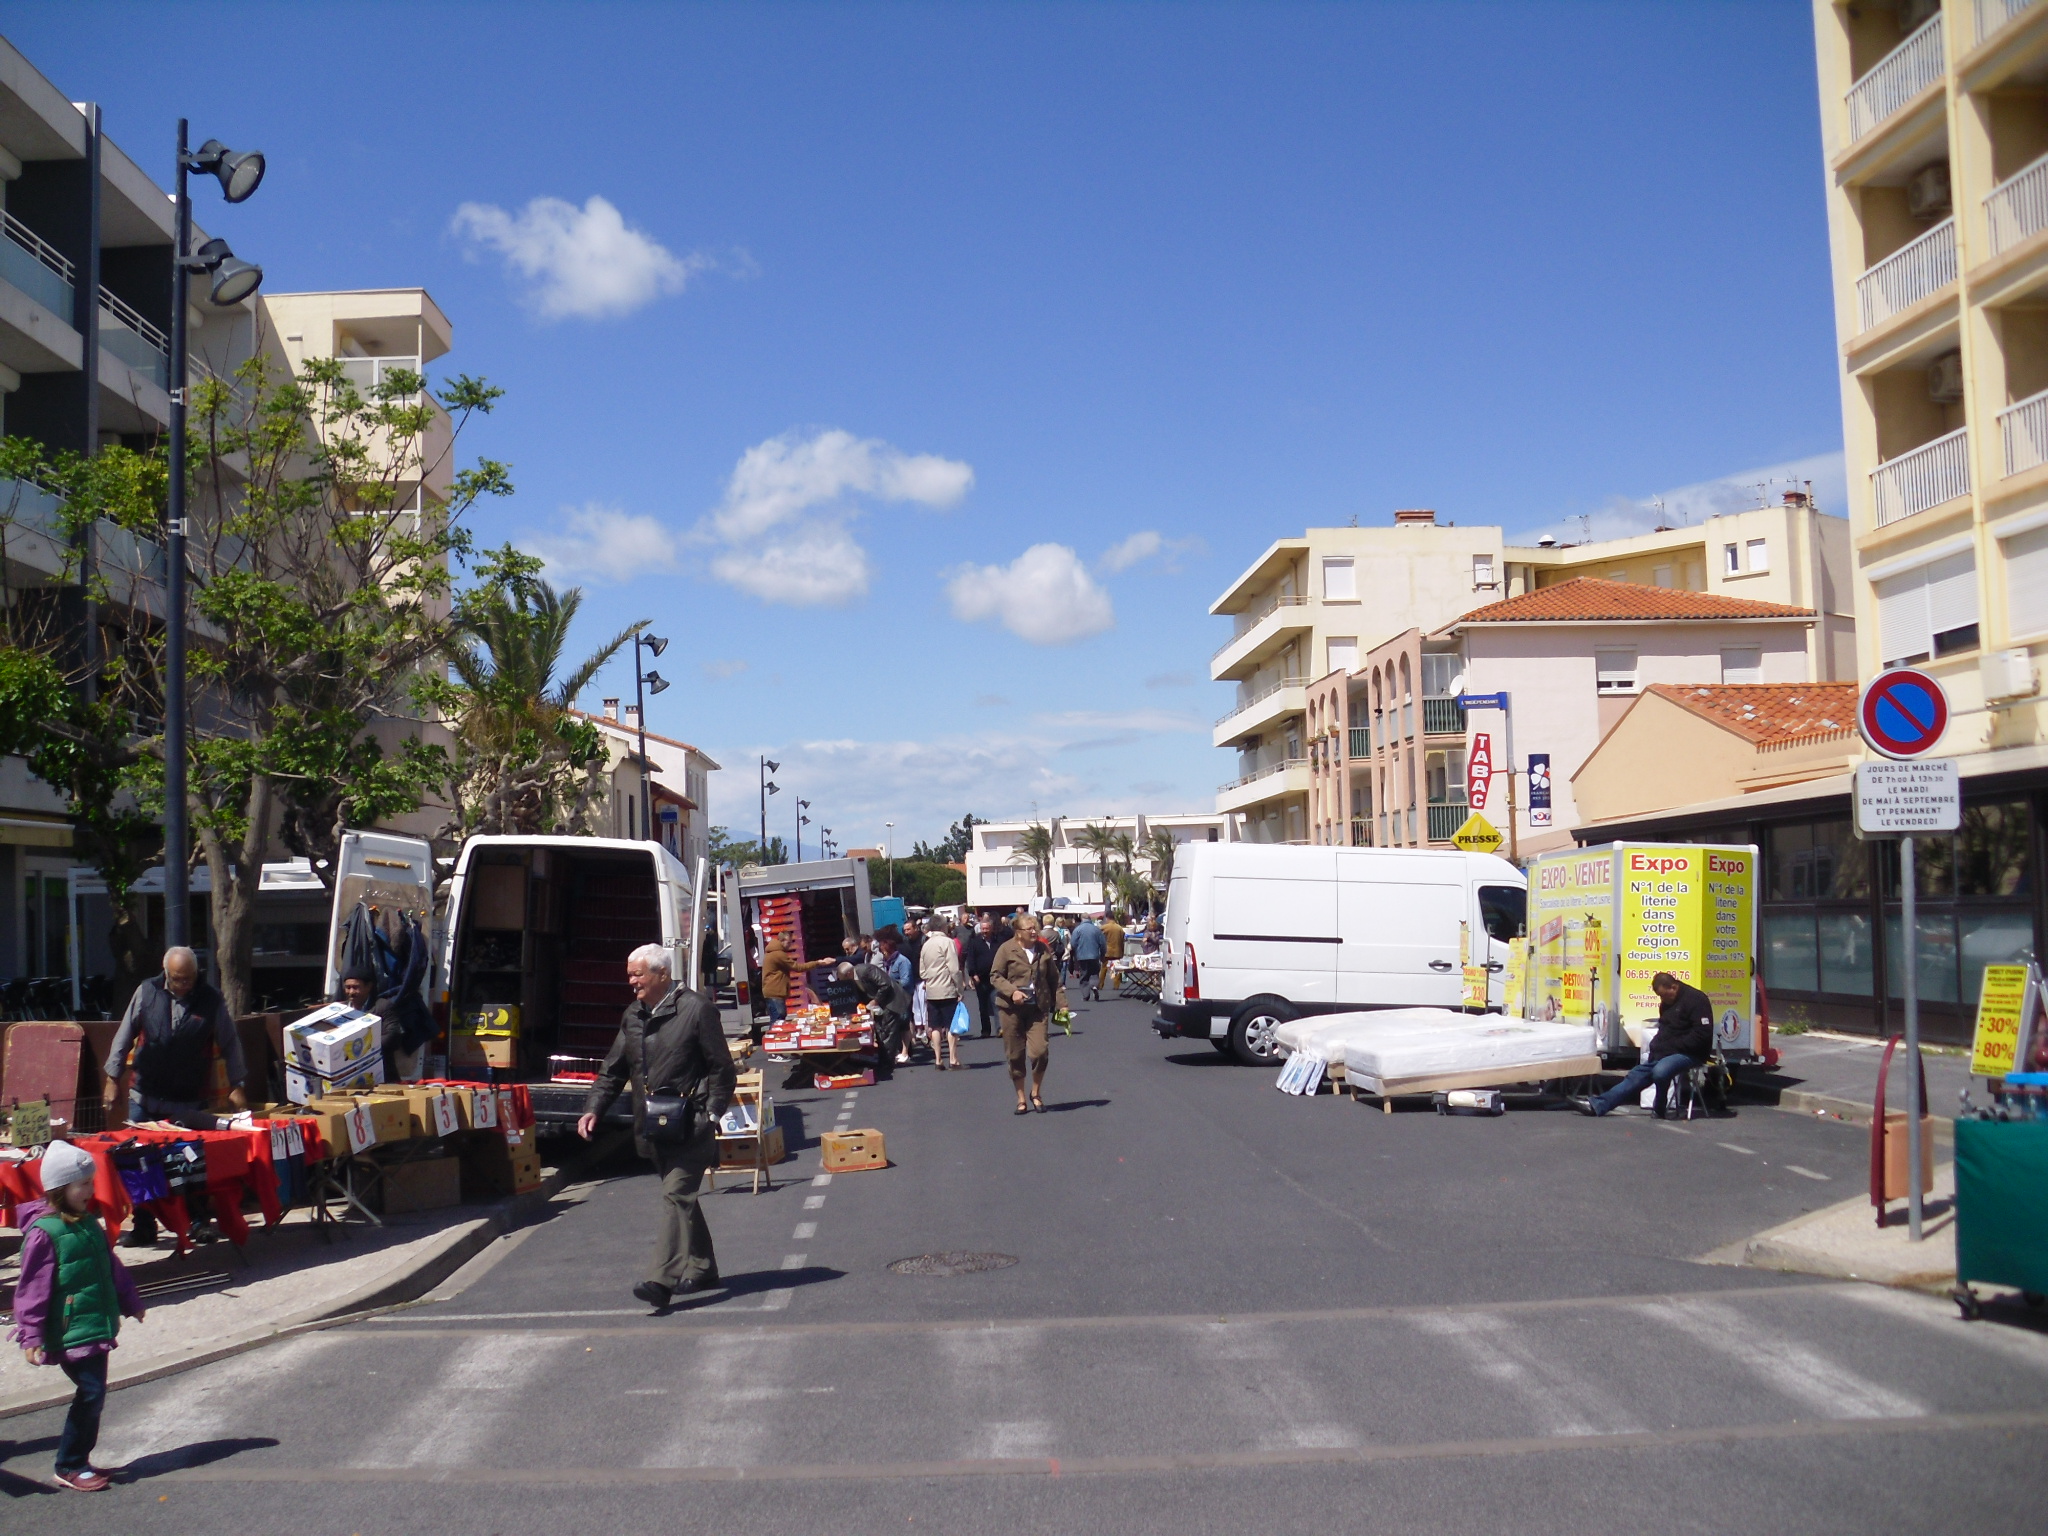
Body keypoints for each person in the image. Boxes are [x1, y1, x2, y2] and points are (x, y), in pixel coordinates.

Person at [578, 944, 736, 1309]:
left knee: (675, 1196)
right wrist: (593, 1108)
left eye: (637, 974)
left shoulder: (697, 1009)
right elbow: (614, 1069)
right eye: (629, 975)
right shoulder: (633, 1015)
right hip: (654, 1127)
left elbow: (722, 1068)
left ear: (662, 974)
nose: (631, 981)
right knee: (681, 1199)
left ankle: (660, 1280)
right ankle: (703, 1267)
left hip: (691, 1125)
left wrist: (711, 1115)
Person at [11, 1139, 146, 1492]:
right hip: (70, 1329)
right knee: (91, 1392)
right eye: (83, 1184)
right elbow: (32, 1290)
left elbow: (110, 1267)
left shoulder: (87, 1223)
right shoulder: (45, 1234)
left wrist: (130, 1301)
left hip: (93, 1324)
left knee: (94, 1394)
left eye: (90, 1182)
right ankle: (69, 1464)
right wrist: (31, 1334)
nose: (90, 1190)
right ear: (60, 1188)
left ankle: (78, 1460)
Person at [101, 947, 247, 1248]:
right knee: (139, 1164)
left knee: (190, 1164)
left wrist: (237, 1084)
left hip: (188, 1098)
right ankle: (144, 1226)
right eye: (178, 979)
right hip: (145, 1095)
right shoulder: (147, 992)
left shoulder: (210, 999)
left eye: (189, 978)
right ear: (166, 973)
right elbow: (124, 1034)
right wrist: (112, 1078)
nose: (184, 984)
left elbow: (230, 1043)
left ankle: (198, 1223)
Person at [1575, 972, 1716, 1117]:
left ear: (1673, 987)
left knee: (1661, 1071)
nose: (1662, 1000)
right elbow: (1665, 1030)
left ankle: (1659, 1107)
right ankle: (1598, 1105)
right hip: (1668, 1052)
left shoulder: (1696, 1000)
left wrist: (1671, 1047)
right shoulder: (1667, 1004)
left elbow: (1702, 1035)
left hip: (1691, 1053)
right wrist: (1657, 1047)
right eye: (1659, 996)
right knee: (1635, 1076)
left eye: (1664, 995)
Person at [992, 913, 1066, 1115]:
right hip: (1011, 1010)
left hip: (1037, 1008)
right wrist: (1012, 992)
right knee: (1015, 1054)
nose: (1034, 932)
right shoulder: (1006, 949)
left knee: (1040, 1051)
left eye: (1035, 928)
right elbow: (995, 976)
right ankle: (1021, 1098)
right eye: (1029, 929)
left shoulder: (1042, 949)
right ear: (1018, 932)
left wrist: (1062, 1004)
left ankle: (1036, 1093)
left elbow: (1054, 978)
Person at [919, 916, 967, 1070]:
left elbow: (922, 971)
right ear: (942, 927)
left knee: (935, 1026)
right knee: (951, 1025)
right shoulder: (948, 942)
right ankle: (953, 1059)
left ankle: (938, 1060)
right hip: (947, 989)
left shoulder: (926, 945)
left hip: (931, 990)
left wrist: (930, 979)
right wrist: (959, 988)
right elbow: (954, 969)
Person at [964, 913, 1006, 1039]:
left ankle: (1000, 1028)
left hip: (995, 977)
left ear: (991, 929)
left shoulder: (998, 941)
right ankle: (985, 1030)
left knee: (997, 1002)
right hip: (981, 979)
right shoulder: (975, 942)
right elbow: (970, 959)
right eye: (983, 929)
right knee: (983, 1005)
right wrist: (973, 974)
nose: (985, 931)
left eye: (987, 929)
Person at [1069, 914, 1106, 1001]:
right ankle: (1094, 986)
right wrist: (1102, 954)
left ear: (1082, 919)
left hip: (1082, 955)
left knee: (1084, 975)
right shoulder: (1096, 929)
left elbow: (1073, 943)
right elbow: (1103, 944)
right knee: (1094, 973)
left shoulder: (1077, 929)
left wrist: (1076, 951)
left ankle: (1086, 995)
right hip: (1094, 955)